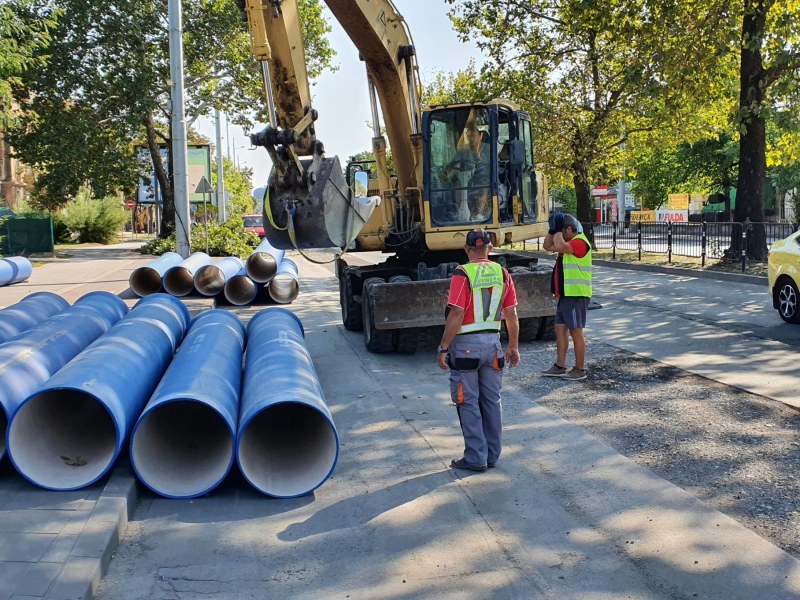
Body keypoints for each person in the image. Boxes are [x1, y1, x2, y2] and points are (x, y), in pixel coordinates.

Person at [437, 228, 521, 472]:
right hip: (493, 346)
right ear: (490, 249)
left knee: (468, 402)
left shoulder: (463, 273)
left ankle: (476, 457)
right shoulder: (502, 273)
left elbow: (457, 313)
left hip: (465, 348)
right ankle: (492, 455)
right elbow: (511, 314)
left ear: (466, 249)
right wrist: (513, 346)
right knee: (492, 401)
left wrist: (443, 348)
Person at [542, 212, 592, 381]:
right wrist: (552, 229)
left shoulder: (579, 243)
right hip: (566, 295)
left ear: (569, 230)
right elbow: (547, 246)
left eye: (562, 232)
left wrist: (557, 231)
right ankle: (560, 366)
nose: (560, 236)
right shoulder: (569, 242)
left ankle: (579, 369)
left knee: (576, 332)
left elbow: (559, 245)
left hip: (576, 294)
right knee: (560, 329)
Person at [443, 125, 490, 220]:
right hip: (465, 178)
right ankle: (459, 212)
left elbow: (495, 164)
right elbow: (452, 164)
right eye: (469, 136)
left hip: (483, 177)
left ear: (480, 135)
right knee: (457, 186)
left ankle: (478, 213)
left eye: (473, 135)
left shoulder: (487, 149)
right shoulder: (463, 151)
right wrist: (447, 171)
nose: (471, 138)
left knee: (484, 187)